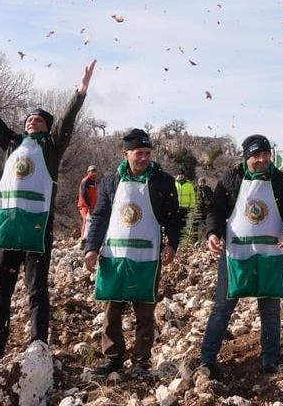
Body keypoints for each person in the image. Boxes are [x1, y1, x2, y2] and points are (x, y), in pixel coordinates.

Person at [0, 53, 97, 364]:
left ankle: (37, 343)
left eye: (39, 119)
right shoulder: (11, 143)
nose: (31, 120)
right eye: (28, 118)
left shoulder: (51, 147)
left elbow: (67, 122)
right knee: (0, 291)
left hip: (36, 229)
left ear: (47, 128)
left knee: (37, 291)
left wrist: (80, 91)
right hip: (7, 229)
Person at [198, 134, 283, 377]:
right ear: (247, 157)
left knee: (270, 309)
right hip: (236, 253)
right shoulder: (231, 179)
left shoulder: (281, 180)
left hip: (269, 253)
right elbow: (215, 209)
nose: (262, 160)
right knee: (222, 307)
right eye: (256, 156)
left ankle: (270, 361)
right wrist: (212, 233)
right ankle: (206, 359)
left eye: (266, 155)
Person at [83, 128, 182, 376]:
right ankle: (113, 358)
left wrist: (171, 245)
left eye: (148, 153)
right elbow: (100, 217)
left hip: (147, 257)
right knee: (112, 309)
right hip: (114, 255)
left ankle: (141, 362)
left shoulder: (163, 181)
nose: (144, 158)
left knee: (145, 311)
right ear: (126, 153)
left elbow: (173, 218)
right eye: (139, 153)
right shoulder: (109, 181)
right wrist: (92, 249)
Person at [78, 165, 101, 237]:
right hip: (85, 206)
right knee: (86, 220)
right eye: (92, 171)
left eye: (95, 171)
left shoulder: (93, 182)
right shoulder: (85, 181)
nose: (94, 173)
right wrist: (88, 205)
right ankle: (82, 239)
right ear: (88, 172)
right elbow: (83, 194)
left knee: (91, 222)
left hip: (92, 206)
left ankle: (88, 238)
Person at [175, 172, 197, 243]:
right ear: (177, 176)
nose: (180, 176)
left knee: (184, 224)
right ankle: (176, 238)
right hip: (176, 208)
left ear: (184, 176)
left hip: (185, 208)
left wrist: (192, 207)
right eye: (179, 174)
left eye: (182, 175)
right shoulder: (174, 184)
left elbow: (192, 197)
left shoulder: (189, 185)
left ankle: (183, 240)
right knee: (176, 223)